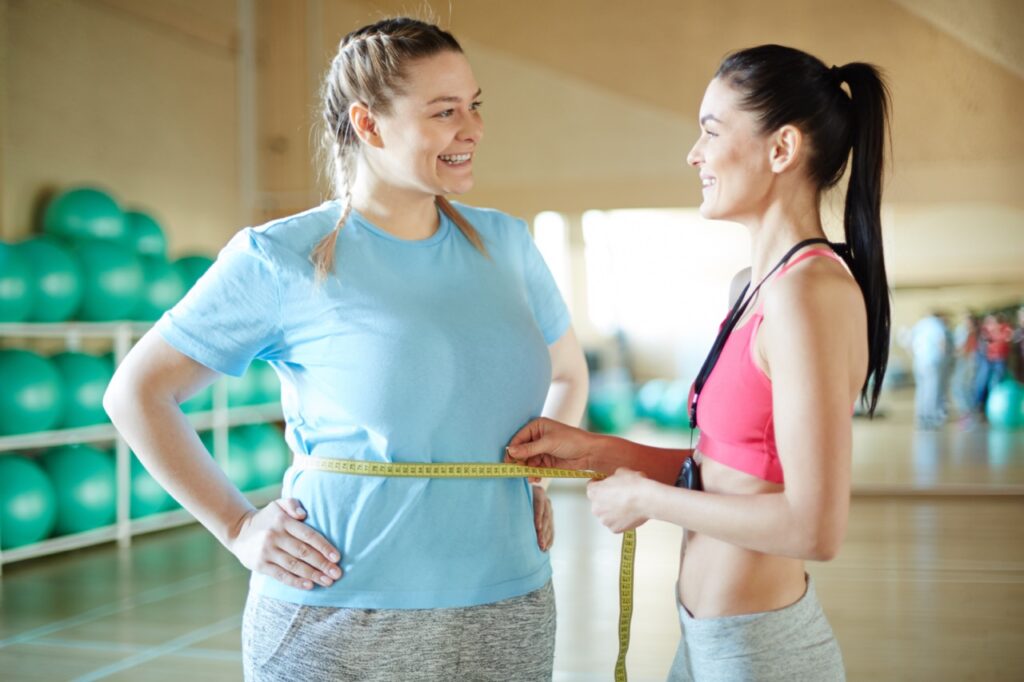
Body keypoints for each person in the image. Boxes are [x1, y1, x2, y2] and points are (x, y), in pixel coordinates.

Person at [104, 17, 588, 682]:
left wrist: (533, 467)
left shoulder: (507, 245)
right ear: (368, 124)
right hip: (340, 616)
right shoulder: (279, 257)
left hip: (510, 605)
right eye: (444, 111)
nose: (471, 129)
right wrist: (239, 528)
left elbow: (567, 374)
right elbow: (137, 392)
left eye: (474, 107)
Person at [507, 44, 891, 681]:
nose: (694, 153)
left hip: (762, 655)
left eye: (711, 131)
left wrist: (648, 499)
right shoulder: (753, 285)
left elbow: (814, 527)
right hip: (705, 644)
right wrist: (602, 451)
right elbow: (726, 473)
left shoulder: (809, 295)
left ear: (781, 149)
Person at [910, 310, 951, 429]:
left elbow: (910, 342)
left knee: (921, 389)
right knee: (932, 389)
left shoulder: (920, 324)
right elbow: (941, 342)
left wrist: (916, 356)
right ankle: (930, 416)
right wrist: (944, 359)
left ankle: (921, 415)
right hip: (932, 361)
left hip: (919, 361)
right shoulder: (937, 324)